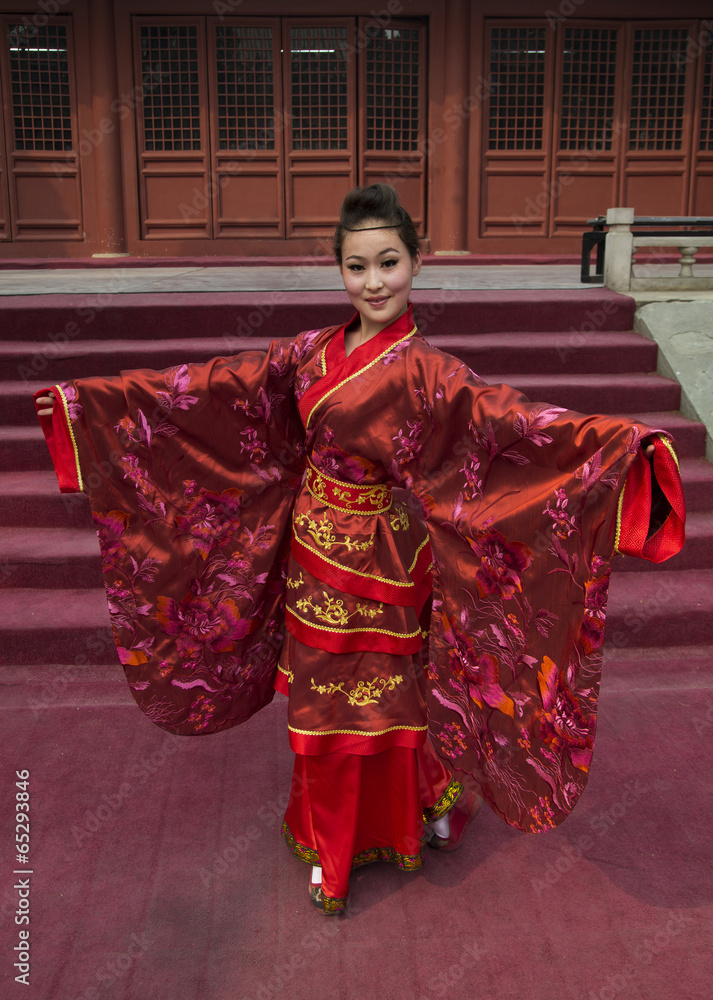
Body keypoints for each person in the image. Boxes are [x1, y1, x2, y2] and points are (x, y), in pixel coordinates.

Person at [34, 184, 685, 915]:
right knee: (322, 709)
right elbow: (216, 387)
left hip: (389, 559)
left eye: (388, 263)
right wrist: (91, 405)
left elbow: (515, 424)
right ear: (339, 269)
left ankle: (405, 813)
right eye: (356, 266)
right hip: (312, 553)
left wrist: (620, 452)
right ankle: (338, 837)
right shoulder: (309, 352)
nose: (374, 282)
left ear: (417, 262)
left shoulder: (432, 373)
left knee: (395, 697)